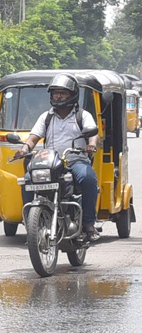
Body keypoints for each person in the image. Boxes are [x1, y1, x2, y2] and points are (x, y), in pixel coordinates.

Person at [14, 73, 101, 240]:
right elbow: (33, 137)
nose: (59, 96)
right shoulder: (46, 117)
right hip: (51, 161)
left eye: (63, 93)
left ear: (72, 94)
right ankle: (30, 224)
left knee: (88, 179)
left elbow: (93, 133)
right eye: (55, 93)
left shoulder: (82, 115)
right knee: (27, 180)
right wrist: (24, 149)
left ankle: (89, 224)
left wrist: (91, 145)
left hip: (75, 159)